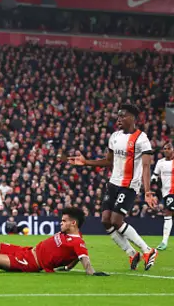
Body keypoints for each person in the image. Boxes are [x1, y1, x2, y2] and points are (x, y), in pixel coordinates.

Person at [67, 103, 158, 271]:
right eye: (118, 116)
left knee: (116, 221)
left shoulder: (141, 139)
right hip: (113, 184)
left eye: (122, 116)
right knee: (105, 221)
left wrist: (148, 191)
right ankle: (132, 253)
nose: (119, 119)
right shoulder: (115, 136)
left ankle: (147, 250)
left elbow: (146, 167)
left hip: (129, 186)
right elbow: (108, 161)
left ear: (132, 117)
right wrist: (86, 162)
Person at [152, 141, 174, 250]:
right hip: (165, 193)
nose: (166, 150)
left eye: (168, 148)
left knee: (167, 213)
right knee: (168, 214)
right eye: (164, 149)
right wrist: (153, 181)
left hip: (172, 192)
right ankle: (164, 242)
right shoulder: (160, 163)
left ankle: (164, 242)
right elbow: (154, 176)